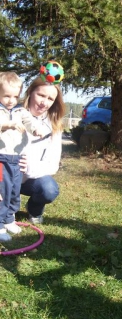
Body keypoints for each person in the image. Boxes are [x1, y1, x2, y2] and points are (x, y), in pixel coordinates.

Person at [0, 72, 43, 242]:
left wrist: (35, 129)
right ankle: (0, 223)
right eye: (6, 96)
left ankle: (9, 218)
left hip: (16, 159)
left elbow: (30, 121)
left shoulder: (20, 111)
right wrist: (9, 124)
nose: (11, 100)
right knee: (2, 191)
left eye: (15, 96)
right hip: (1, 158)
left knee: (14, 190)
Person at [20, 75, 65, 224]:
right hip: (5, 172)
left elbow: (52, 165)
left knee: (49, 189)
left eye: (50, 99)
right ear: (31, 92)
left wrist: (27, 170)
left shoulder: (54, 125)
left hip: (31, 178)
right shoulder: (12, 114)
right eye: (40, 95)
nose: (44, 103)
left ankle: (34, 209)